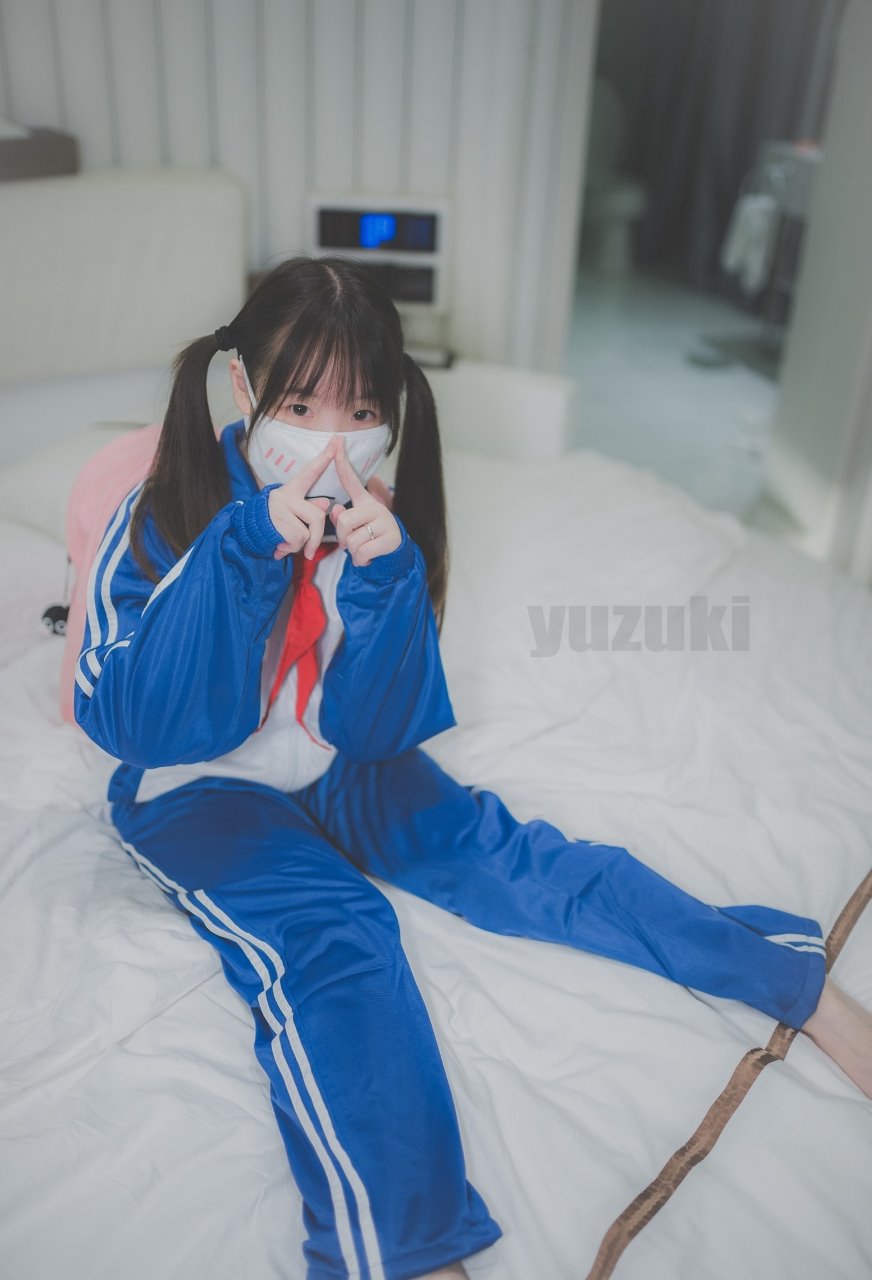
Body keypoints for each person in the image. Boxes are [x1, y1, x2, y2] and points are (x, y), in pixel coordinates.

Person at [73, 255, 872, 1280]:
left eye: (361, 410)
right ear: (242, 389)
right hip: (198, 785)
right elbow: (136, 722)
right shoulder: (166, 508)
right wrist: (241, 549)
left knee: (515, 859)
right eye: (300, 405)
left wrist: (387, 579)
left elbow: (378, 724)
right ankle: (405, 1245)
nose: (329, 440)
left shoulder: (376, 514)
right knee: (336, 936)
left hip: (336, 754)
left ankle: (793, 981)